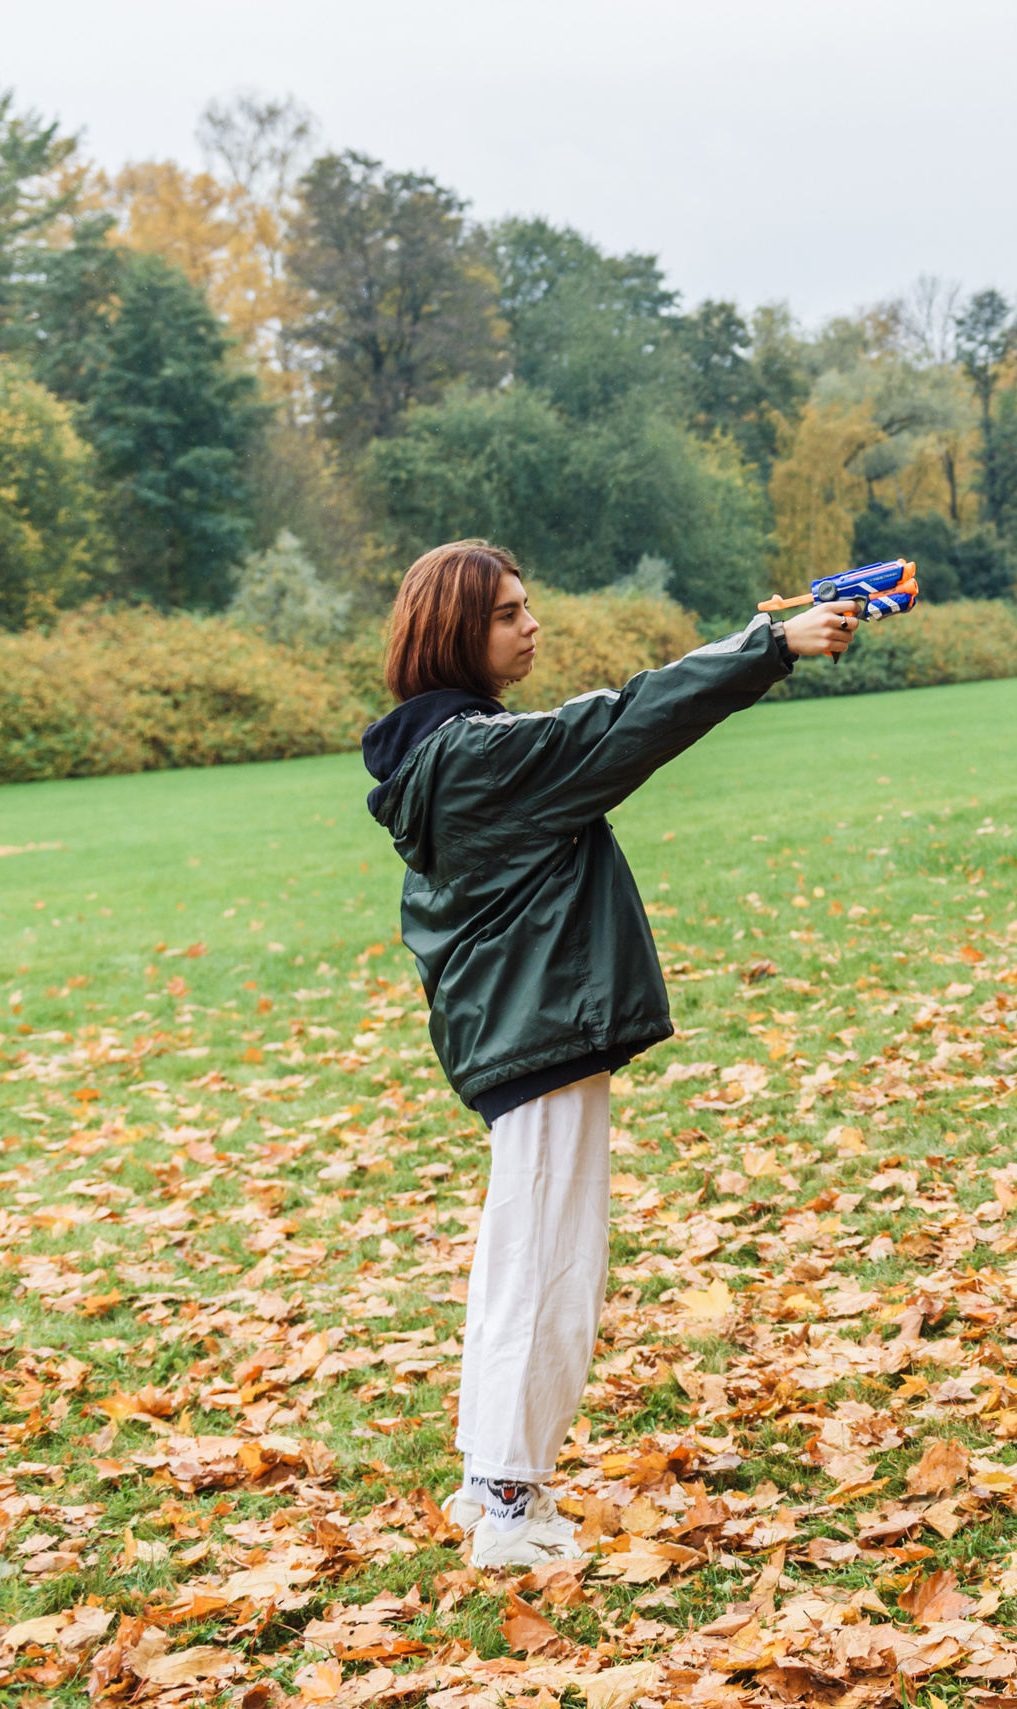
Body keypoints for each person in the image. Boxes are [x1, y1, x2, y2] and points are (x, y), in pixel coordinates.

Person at [362, 539, 859, 1568]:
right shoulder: (480, 756)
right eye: (508, 612)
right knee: (548, 1264)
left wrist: (763, 638)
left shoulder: (451, 751)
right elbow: (628, 718)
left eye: (526, 604)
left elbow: (613, 716)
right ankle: (511, 1504)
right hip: (535, 1032)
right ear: (455, 632)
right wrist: (772, 647)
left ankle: (489, 1484)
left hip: (525, 1031)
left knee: (523, 1256)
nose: (530, 624)